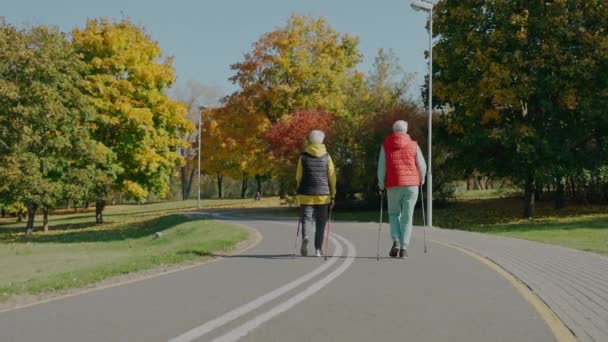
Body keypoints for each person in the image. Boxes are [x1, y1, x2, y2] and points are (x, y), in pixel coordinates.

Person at [377, 120, 426, 258]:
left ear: (394, 130)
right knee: (407, 216)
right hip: (411, 185)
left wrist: (381, 184)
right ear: (406, 130)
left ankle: (396, 241)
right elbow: (421, 165)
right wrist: (422, 178)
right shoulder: (414, 145)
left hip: (393, 184)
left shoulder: (386, 145)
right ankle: (404, 248)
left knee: (393, 214)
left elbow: (382, 167)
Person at [296, 130, 337, 257]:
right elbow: (332, 176)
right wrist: (333, 194)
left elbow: (298, 176)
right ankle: (318, 249)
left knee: (306, 219)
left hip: (306, 193)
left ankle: (306, 236)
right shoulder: (327, 156)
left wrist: (299, 189)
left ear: (310, 140)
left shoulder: (303, 156)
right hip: (323, 195)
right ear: (322, 141)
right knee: (321, 222)